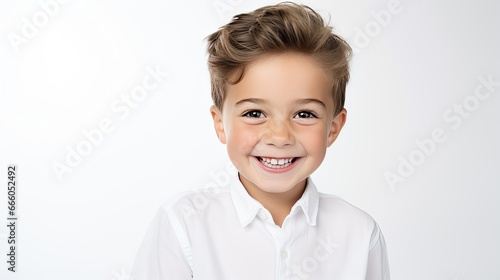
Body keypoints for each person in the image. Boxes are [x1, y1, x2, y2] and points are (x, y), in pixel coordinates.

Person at [130, 2, 390, 279]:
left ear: (333, 128)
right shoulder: (184, 223)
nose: (279, 137)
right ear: (220, 124)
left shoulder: (360, 233)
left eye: (304, 114)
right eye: (254, 113)